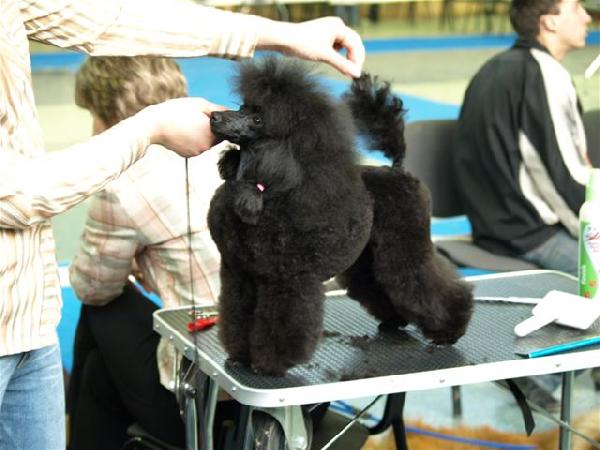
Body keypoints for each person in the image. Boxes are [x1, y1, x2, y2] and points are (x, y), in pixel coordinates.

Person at [0, 1, 365, 447]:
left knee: (101, 318)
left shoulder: (124, 187)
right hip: (306, 371)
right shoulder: (255, 168)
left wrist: (283, 35)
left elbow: (91, 285)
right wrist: (283, 35)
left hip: (207, 383)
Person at [65, 56, 222, 449]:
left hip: (205, 406)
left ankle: (66, 426)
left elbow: (92, 287)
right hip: (295, 388)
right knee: (101, 374)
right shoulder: (231, 149)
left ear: (112, 117)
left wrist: (133, 262)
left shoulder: (124, 183)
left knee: (100, 307)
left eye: (94, 115)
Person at [453, 0, 597, 408]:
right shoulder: (543, 73)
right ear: (549, 21)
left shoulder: (497, 68)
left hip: (494, 223)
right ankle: (537, 377)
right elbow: (561, 176)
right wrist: (593, 230)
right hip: (529, 231)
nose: (587, 16)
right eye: (576, 7)